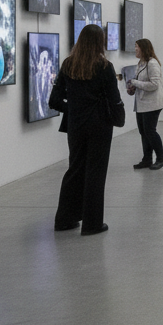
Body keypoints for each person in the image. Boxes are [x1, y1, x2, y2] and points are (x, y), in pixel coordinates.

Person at [50, 23, 123, 236]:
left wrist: (74, 109)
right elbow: (114, 98)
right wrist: (116, 116)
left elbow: (54, 100)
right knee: (95, 173)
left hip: (76, 125)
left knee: (75, 169)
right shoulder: (104, 67)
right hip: (100, 125)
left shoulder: (68, 64)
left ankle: (64, 219)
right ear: (99, 42)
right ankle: (92, 224)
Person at [127, 38, 163, 171]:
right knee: (143, 132)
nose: (135, 49)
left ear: (143, 48)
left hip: (152, 103)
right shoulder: (141, 63)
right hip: (142, 103)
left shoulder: (152, 63)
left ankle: (161, 159)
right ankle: (147, 159)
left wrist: (135, 83)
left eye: (136, 46)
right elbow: (141, 82)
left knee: (150, 132)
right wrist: (133, 87)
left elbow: (154, 85)